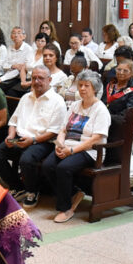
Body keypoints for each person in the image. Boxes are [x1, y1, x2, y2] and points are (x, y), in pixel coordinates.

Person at [0, 66, 66, 204]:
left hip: (43, 141)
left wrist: (33, 140)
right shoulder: (25, 97)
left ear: (50, 80)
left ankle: (32, 190)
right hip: (20, 137)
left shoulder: (57, 101)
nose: (36, 81)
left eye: (41, 78)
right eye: (34, 78)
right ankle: (17, 186)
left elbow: (54, 131)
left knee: (26, 160)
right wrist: (11, 135)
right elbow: (13, 121)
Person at [44, 71, 111, 223]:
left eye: (87, 86)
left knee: (63, 168)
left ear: (95, 89)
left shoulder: (100, 109)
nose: (82, 89)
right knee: (47, 165)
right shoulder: (75, 105)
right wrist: (59, 144)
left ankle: (66, 208)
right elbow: (63, 129)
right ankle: (74, 193)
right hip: (68, 146)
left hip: (90, 150)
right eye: (80, 85)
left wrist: (72, 150)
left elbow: (96, 138)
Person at [104, 60, 133, 124]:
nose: (121, 72)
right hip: (103, 119)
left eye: (125, 71)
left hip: (118, 124)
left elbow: (127, 114)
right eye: (119, 69)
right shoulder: (110, 85)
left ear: (131, 73)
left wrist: (107, 117)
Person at [0, 25, 35, 93]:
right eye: (14, 33)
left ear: (24, 36)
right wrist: (13, 66)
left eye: (19, 33)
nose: (16, 35)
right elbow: (4, 65)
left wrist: (2, 78)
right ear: (11, 37)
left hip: (22, 78)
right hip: (9, 76)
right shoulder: (9, 48)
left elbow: (23, 68)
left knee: (8, 92)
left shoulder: (28, 49)